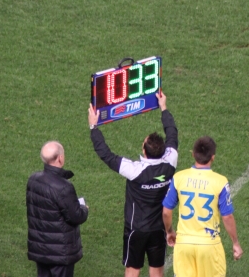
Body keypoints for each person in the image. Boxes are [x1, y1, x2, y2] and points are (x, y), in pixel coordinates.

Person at [89, 91, 178, 277]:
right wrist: (164, 107)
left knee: (132, 271)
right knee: (157, 271)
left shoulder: (134, 170)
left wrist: (93, 127)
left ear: (144, 151)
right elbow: (172, 134)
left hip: (136, 229)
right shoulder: (170, 162)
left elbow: (106, 154)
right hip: (158, 228)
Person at [162, 136, 242, 277]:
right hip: (209, 246)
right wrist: (235, 243)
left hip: (184, 244)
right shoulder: (220, 181)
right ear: (213, 157)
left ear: (193, 154)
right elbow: (227, 216)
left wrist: (169, 231)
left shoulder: (179, 177)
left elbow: (166, 212)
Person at [26, 141, 89, 277]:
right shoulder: (64, 187)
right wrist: (84, 208)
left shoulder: (33, 180)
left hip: (40, 249)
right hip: (60, 252)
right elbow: (76, 216)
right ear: (60, 158)